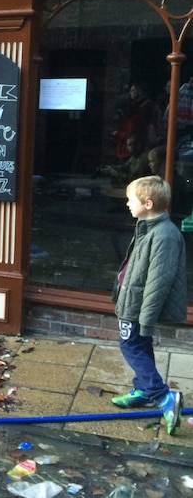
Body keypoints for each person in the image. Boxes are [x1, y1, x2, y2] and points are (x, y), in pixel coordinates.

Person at [110, 176, 187, 436]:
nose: (127, 204)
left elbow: (159, 281)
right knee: (140, 345)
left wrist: (147, 317)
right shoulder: (147, 226)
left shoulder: (164, 236)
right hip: (131, 300)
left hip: (138, 306)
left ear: (148, 203)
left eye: (131, 200)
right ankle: (144, 389)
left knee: (130, 344)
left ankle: (164, 397)